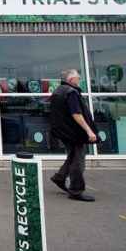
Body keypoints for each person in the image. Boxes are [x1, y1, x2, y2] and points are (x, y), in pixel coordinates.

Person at [49, 68, 98, 202]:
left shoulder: (58, 91)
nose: (79, 79)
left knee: (73, 155)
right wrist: (88, 131)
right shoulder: (70, 93)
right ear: (71, 80)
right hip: (73, 132)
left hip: (64, 131)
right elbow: (76, 114)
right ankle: (76, 190)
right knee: (78, 161)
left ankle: (59, 177)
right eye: (78, 77)